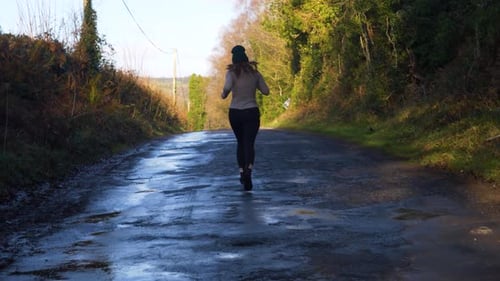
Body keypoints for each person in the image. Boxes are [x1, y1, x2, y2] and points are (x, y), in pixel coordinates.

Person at [221, 45, 270, 191]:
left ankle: (242, 172)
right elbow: (266, 91)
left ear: (233, 59)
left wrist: (223, 94)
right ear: (246, 58)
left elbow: (226, 90)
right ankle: (249, 170)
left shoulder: (231, 73)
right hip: (251, 112)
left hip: (235, 112)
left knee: (240, 142)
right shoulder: (255, 74)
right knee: (249, 143)